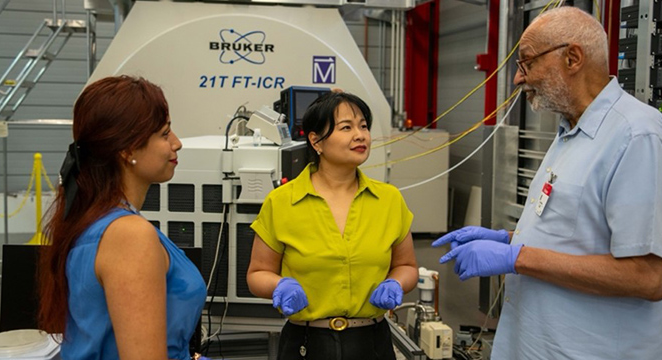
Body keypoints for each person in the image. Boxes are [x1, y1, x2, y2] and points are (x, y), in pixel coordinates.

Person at [432, 7, 662, 360]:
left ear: (572, 57)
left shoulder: (639, 137)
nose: (519, 79)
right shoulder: (572, 132)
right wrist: (508, 240)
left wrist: (517, 257)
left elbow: (646, 277)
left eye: (527, 63)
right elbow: (578, 237)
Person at [38, 76, 207, 360]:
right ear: (128, 150)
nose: (176, 143)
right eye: (165, 134)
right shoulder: (128, 234)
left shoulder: (97, 220)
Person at [247, 92, 418, 360]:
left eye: (363, 126)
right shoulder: (282, 202)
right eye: (346, 127)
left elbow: (406, 266)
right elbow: (257, 274)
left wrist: (396, 283)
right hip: (305, 343)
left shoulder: (389, 200)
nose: (360, 135)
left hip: (372, 343)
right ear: (316, 141)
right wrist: (279, 286)